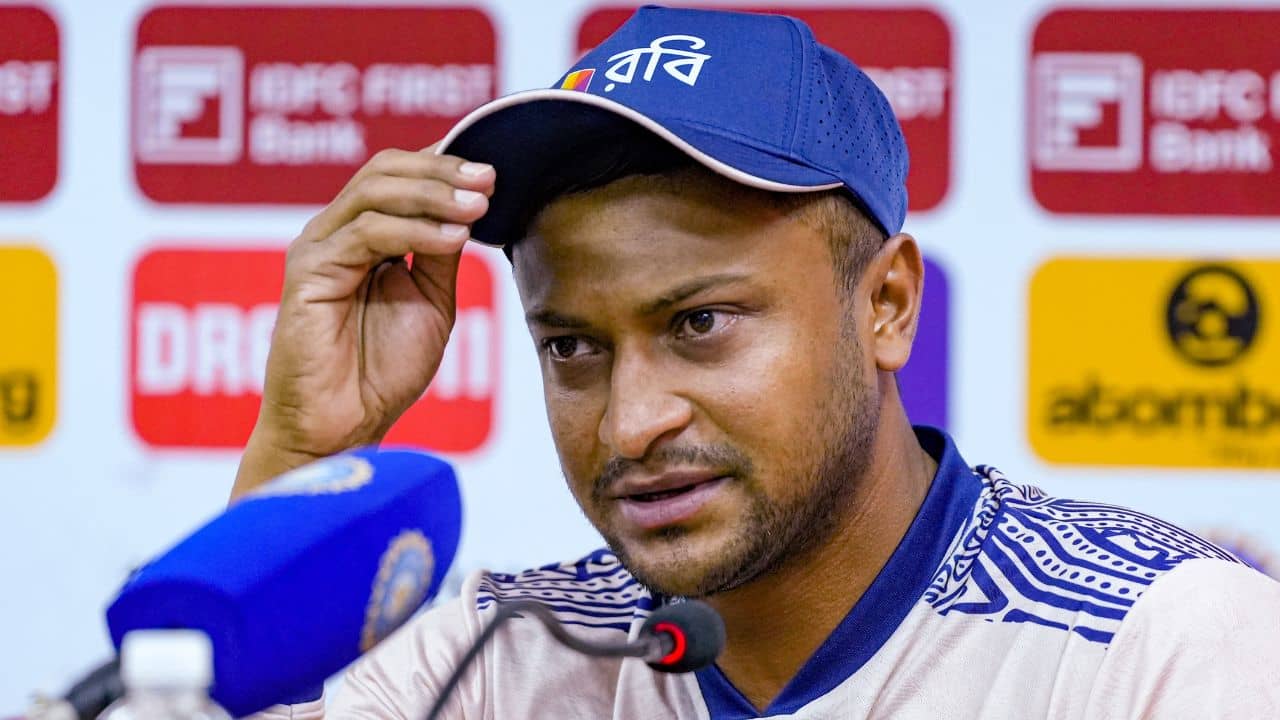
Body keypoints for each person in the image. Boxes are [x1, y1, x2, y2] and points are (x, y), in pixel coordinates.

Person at [235, 6, 1280, 718]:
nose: (629, 422)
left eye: (700, 323)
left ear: (886, 305)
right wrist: (306, 448)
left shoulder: (1150, 642)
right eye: (573, 346)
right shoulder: (500, 657)